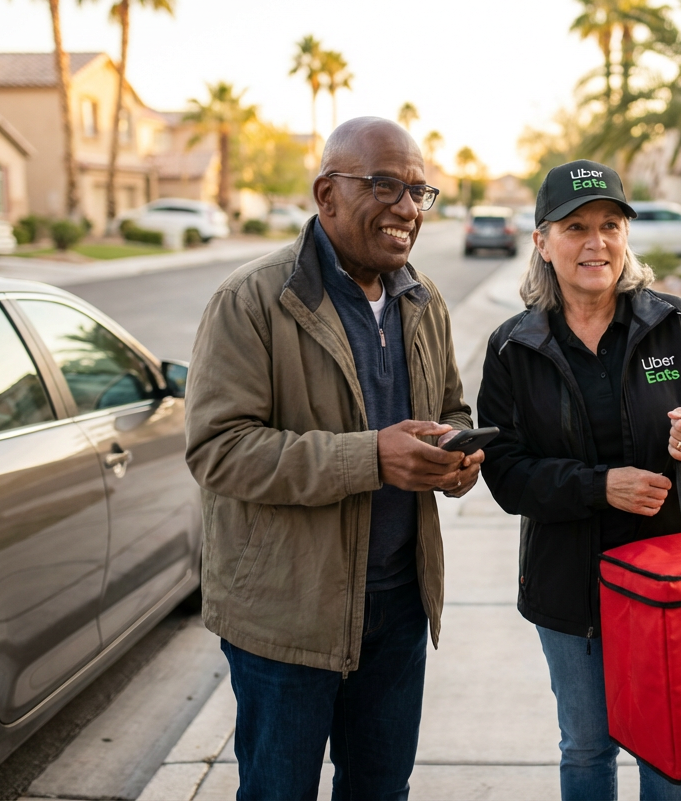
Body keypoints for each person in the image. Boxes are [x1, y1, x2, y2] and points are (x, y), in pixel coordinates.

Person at [184, 117, 483, 801]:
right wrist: (371, 458)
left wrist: (456, 459)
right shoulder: (252, 300)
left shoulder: (423, 299)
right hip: (287, 620)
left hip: (399, 608)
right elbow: (219, 450)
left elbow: (453, 410)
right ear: (327, 196)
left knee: (380, 790)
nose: (407, 208)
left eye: (418, 190)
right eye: (385, 185)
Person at [478, 160, 681, 800]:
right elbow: (507, 473)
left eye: (610, 225)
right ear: (542, 242)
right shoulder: (512, 348)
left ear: (627, 236)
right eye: (575, 227)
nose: (595, 242)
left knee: (670, 749)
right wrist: (599, 486)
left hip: (674, 577)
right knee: (586, 746)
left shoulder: (677, 325)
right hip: (570, 587)